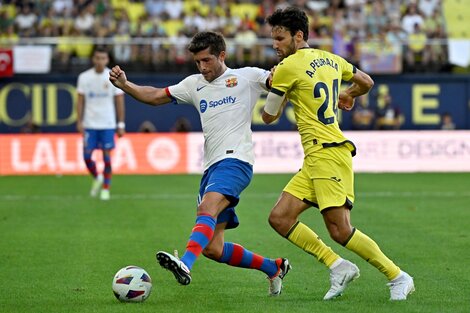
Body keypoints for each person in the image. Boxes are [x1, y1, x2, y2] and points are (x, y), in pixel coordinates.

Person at [109, 31, 290, 296]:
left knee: (207, 207)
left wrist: (277, 76)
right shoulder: (194, 84)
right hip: (211, 167)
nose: (202, 67)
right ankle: (273, 267)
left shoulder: (247, 77)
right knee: (213, 248)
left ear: (222, 55)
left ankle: (185, 263)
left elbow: (277, 82)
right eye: (198, 62)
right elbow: (155, 95)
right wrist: (126, 85)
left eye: (207, 60)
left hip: (236, 160)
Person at [261, 7, 414, 301]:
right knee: (280, 218)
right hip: (317, 157)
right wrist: (348, 94)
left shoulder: (288, 67)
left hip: (327, 153)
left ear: (298, 36)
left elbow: (268, 116)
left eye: (280, 38)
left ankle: (398, 276)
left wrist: (273, 84)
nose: (275, 44)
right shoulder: (331, 59)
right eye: (273, 39)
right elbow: (366, 82)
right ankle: (338, 265)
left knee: (340, 230)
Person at [76, 47, 125, 201]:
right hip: (90, 124)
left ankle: (105, 188)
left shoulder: (112, 77)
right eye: (97, 58)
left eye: (103, 58)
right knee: (86, 156)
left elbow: (119, 101)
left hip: (107, 124)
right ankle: (97, 177)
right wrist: (79, 121)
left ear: (107, 60)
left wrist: (121, 124)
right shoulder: (84, 77)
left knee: (106, 157)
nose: (100, 61)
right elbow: (80, 101)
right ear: (93, 59)